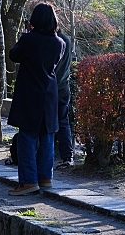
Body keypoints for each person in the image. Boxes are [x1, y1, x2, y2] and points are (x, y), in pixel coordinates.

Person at [7, 3, 65, 196]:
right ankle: (45, 178)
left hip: (29, 93)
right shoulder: (60, 43)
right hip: (49, 94)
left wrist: (24, 36)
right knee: (47, 137)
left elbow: (14, 55)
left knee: (27, 139)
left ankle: (28, 181)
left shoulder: (29, 39)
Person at [54, 27, 74, 168]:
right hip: (64, 87)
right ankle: (67, 155)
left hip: (51, 87)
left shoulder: (53, 41)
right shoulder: (66, 39)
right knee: (63, 121)